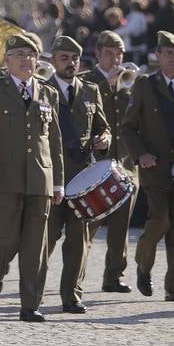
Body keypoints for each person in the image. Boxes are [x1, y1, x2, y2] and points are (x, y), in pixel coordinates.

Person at [0, 31, 64, 322]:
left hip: (40, 179)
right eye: (21, 55)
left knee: (35, 246)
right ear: (8, 60)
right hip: (4, 178)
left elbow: (55, 142)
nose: (27, 60)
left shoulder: (48, 93)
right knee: (6, 240)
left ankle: (30, 305)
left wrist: (59, 181)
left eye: (32, 55)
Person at [121, 30, 174, 301]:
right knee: (160, 220)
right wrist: (140, 154)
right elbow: (129, 128)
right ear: (158, 55)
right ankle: (144, 264)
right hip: (154, 167)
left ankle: (172, 286)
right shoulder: (145, 85)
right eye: (168, 54)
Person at [44, 35, 110, 313]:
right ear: (53, 60)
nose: (70, 63)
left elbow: (103, 127)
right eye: (64, 58)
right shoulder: (42, 90)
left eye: (74, 59)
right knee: (44, 239)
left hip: (81, 177)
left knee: (78, 239)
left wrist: (105, 138)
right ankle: (30, 290)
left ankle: (71, 295)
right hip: (49, 176)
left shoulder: (90, 90)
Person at [82, 31, 135, 292]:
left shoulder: (130, 83)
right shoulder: (87, 81)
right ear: (98, 54)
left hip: (123, 161)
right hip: (95, 163)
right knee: (89, 224)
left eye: (120, 54)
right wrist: (108, 85)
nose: (116, 59)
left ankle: (114, 276)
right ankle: (75, 276)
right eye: (110, 54)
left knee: (120, 226)